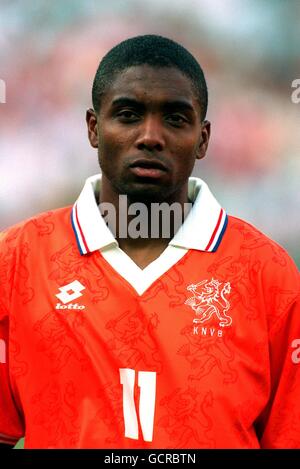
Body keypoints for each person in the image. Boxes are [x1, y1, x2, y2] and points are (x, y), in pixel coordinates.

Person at [0, 34, 299, 449]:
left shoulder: (267, 273)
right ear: (93, 128)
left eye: (175, 118)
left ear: (204, 138)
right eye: (128, 114)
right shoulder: (18, 261)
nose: (150, 136)